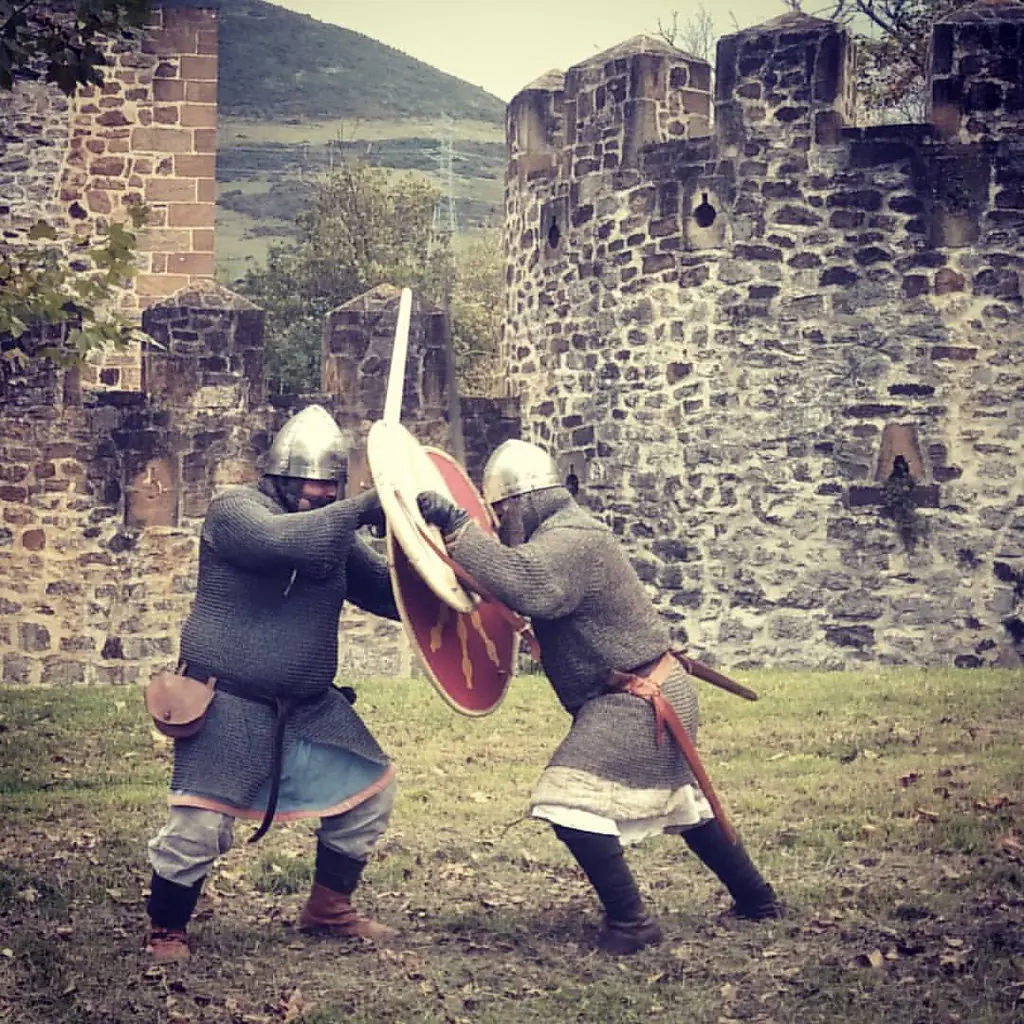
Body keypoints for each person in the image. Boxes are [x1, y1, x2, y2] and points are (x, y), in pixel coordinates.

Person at [416, 439, 781, 956]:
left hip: (637, 697)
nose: (498, 522)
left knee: (565, 800)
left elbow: (530, 586)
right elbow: (503, 581)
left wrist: (458, 527)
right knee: (684, 806)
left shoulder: (571, 539)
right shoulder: (565, 533)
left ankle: (632, 923)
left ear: (519, 502)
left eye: (500, 511)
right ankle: (757, 899)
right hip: (650, 688)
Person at [145, 404, 401, 962]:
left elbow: (390, 594)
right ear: (279, 479)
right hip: (229, 703)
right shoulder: (235, 511)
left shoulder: (332, 528)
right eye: (310, 487)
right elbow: (286, 542)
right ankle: (168, 928)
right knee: (199, 828)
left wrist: (419, 542)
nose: (321, 497)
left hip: (308, 706)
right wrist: (363, 507)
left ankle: (328, 909)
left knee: (369, 797)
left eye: (330, 488)